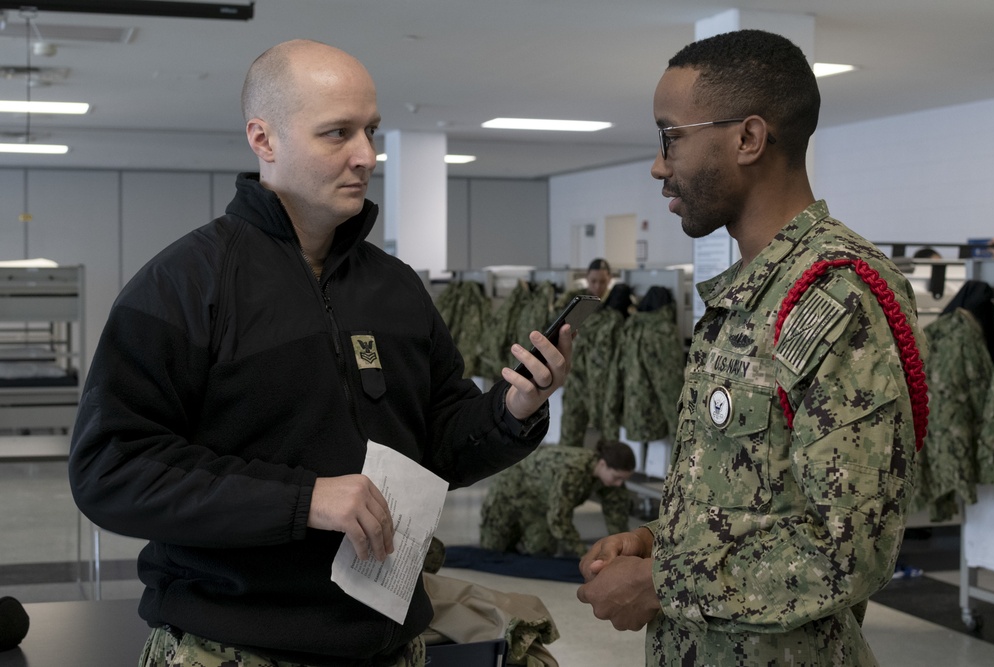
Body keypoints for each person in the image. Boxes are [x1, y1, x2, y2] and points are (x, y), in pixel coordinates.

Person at [67, 39, 572, 667]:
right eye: (337, 133)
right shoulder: (184, 286)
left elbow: (440, 446)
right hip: (232, 647)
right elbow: (110, 471)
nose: (366, 155)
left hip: (390, 644)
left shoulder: (395, 288)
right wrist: (305, 500)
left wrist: (511, 410)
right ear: (264, 138)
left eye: (370, 131)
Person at [576, 29, 926, 666]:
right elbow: (757, 495)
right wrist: (661, 543)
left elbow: (853, 549)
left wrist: (664, 584)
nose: (659, 164)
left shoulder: (837, 298)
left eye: (670, 136)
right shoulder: (749, 294)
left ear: (747, 138)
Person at [479, 440, 636, 557]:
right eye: (617, 478)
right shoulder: (574, 472)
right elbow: (558, 520)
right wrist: (585, 554)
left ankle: (526, 533)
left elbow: (617, 520)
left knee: (542, 551)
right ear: (602, 464)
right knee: (492, 550)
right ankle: (515, 531)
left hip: (542, 504)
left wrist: (621, 554)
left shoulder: (612, 481)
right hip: (510, 492)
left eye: (623, 479)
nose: (619, 484)